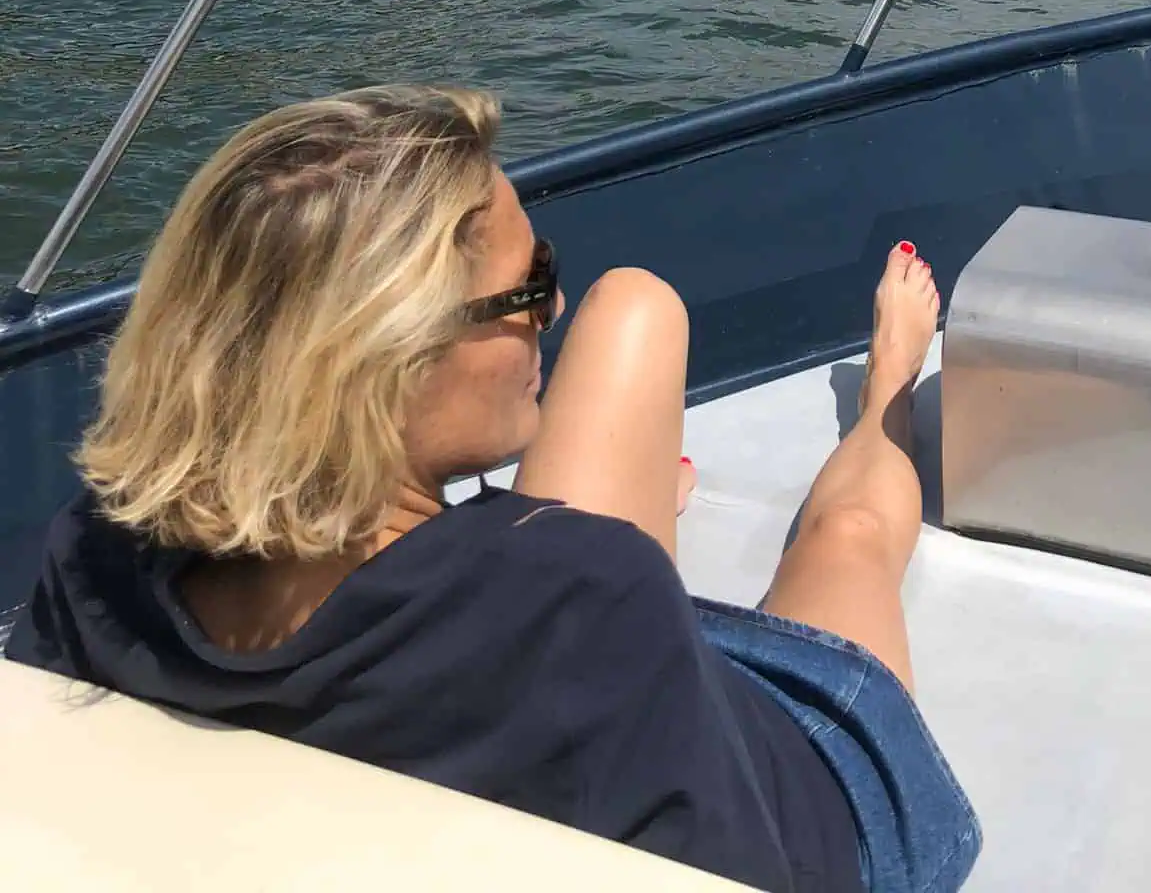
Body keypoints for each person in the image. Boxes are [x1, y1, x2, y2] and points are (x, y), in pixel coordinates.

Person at [7, 87, 979, 893]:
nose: (551, 306)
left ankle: (668, 521)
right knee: (848, 536)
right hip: (803, 787)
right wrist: (624, 586)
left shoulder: (93, 554)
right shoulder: (575, 597)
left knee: (634, 304)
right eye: (525, 289)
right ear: (393, 360)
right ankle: (889, 382)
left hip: (586, 655)